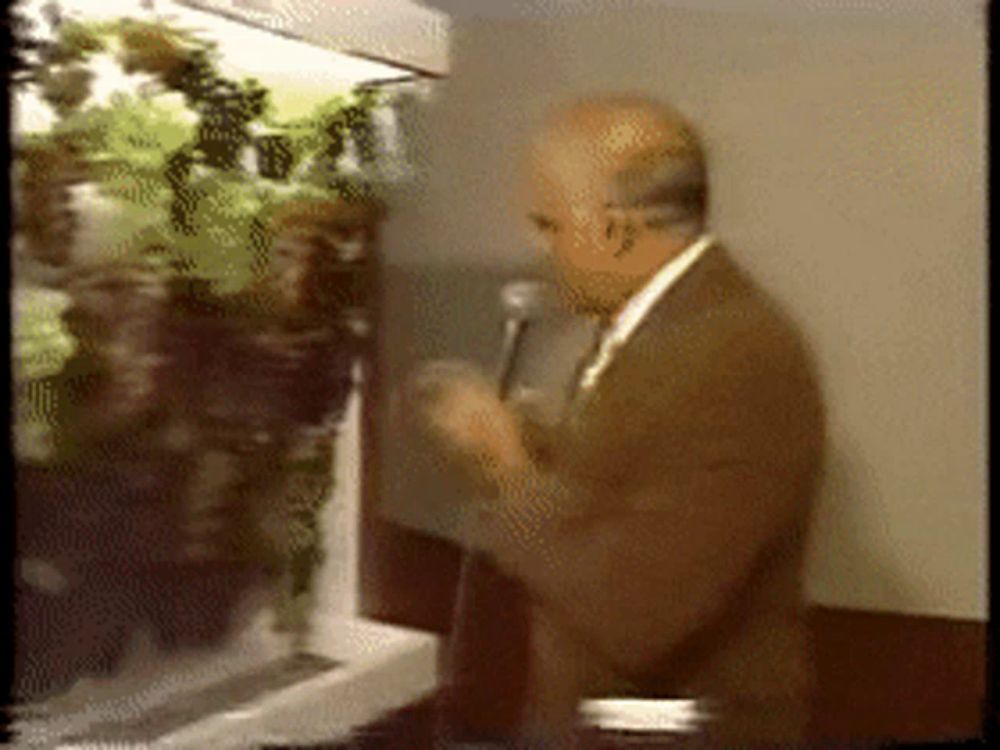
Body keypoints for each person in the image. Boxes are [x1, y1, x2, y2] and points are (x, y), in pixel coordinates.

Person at [413, 94, 826, 748]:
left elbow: (634, 613)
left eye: (548, 226)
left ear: (616, 230)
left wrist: (506, 465)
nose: (539, 249)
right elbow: (628, 498)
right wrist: (548, 443)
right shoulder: (665, 331)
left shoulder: (739, 356)